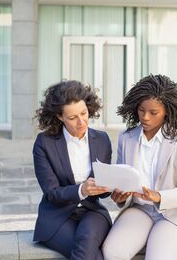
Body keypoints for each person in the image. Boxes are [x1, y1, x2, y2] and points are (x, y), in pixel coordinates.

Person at [102, 74, 177, 260]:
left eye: (153, 113)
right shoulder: (126, 138)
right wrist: (120, 196)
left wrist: (159, 196)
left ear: (167, 111)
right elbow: (123, 178)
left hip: (176, 213)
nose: (145, 117)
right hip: (139, 210)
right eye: (141, 110)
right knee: (112, 252)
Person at [33, 80, 112, 260]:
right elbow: (52, 193)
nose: (81, 121)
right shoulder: (44, 143)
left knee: (87, 240)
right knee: (94, 256)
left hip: (92, 211)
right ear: (60, 117)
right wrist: (81, 190)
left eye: (84, 113)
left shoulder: (102, 140)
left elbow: (103, 193)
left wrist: (110, 186)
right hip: (57, 216)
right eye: (72, 117)